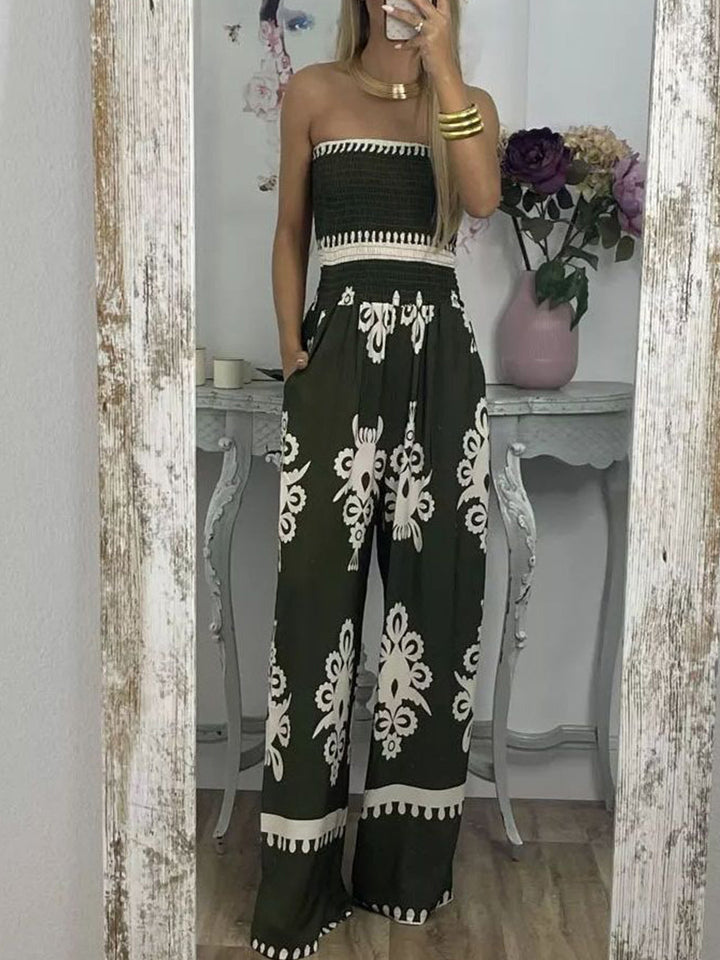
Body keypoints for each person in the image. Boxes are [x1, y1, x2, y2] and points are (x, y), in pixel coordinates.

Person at [250, 1, 501, 956]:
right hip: (339, 358)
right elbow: (290, 231)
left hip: (442, 368)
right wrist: (292, 349)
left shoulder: (465, 102)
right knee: (315, 607)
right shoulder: (314, 92)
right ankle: (300, 885)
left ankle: (405, 870)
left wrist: (443, 63)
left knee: (436, 604)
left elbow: (482, 199)